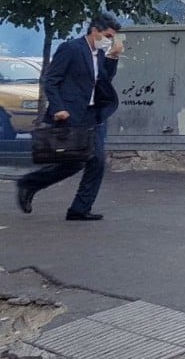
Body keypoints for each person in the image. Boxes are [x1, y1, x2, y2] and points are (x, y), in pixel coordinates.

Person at [16, 12, 123, 220]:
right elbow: (51, 80)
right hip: (71, 114)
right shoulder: (71, 49)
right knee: (74, 162)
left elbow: (104, 81)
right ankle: (29, 182)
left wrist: (113, 57)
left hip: (94, 114)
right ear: (95, 31)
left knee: (97, 161)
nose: (109, 41)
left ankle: (80, 209)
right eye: (108, 36)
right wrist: (57, 107)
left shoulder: (100, 54)